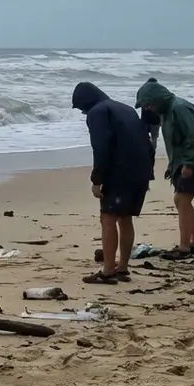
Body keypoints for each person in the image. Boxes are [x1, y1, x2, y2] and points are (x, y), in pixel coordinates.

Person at [135, 80, 194, 261]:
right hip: (188, 159)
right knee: (183, 201)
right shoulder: (167, 110)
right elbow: (177, 142)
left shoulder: (179, 108)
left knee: (181, 199)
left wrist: (189, 164)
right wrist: (174, 168)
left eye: (148, 104)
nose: (148, 108)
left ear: (158, 98)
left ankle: (184, 247)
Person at [72, 83, 154, 284]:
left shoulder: (97, 112)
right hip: (141, 170)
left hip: (120, 172)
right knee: (125, 218)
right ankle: (122, 268)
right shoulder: (125, 108)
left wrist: (97, 179)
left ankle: (108, 271)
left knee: (108, 218)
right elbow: (147, 139)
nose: (83, 112)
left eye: (82, 108)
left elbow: (101, 146)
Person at [139, 78, 161, 156]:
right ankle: (152, 153)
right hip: (156, 120)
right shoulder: (159, 93)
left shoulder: (143, 92)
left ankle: (145, 152)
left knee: (144, 137)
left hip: (145, 119)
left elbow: (138, 104)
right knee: (154, 138)